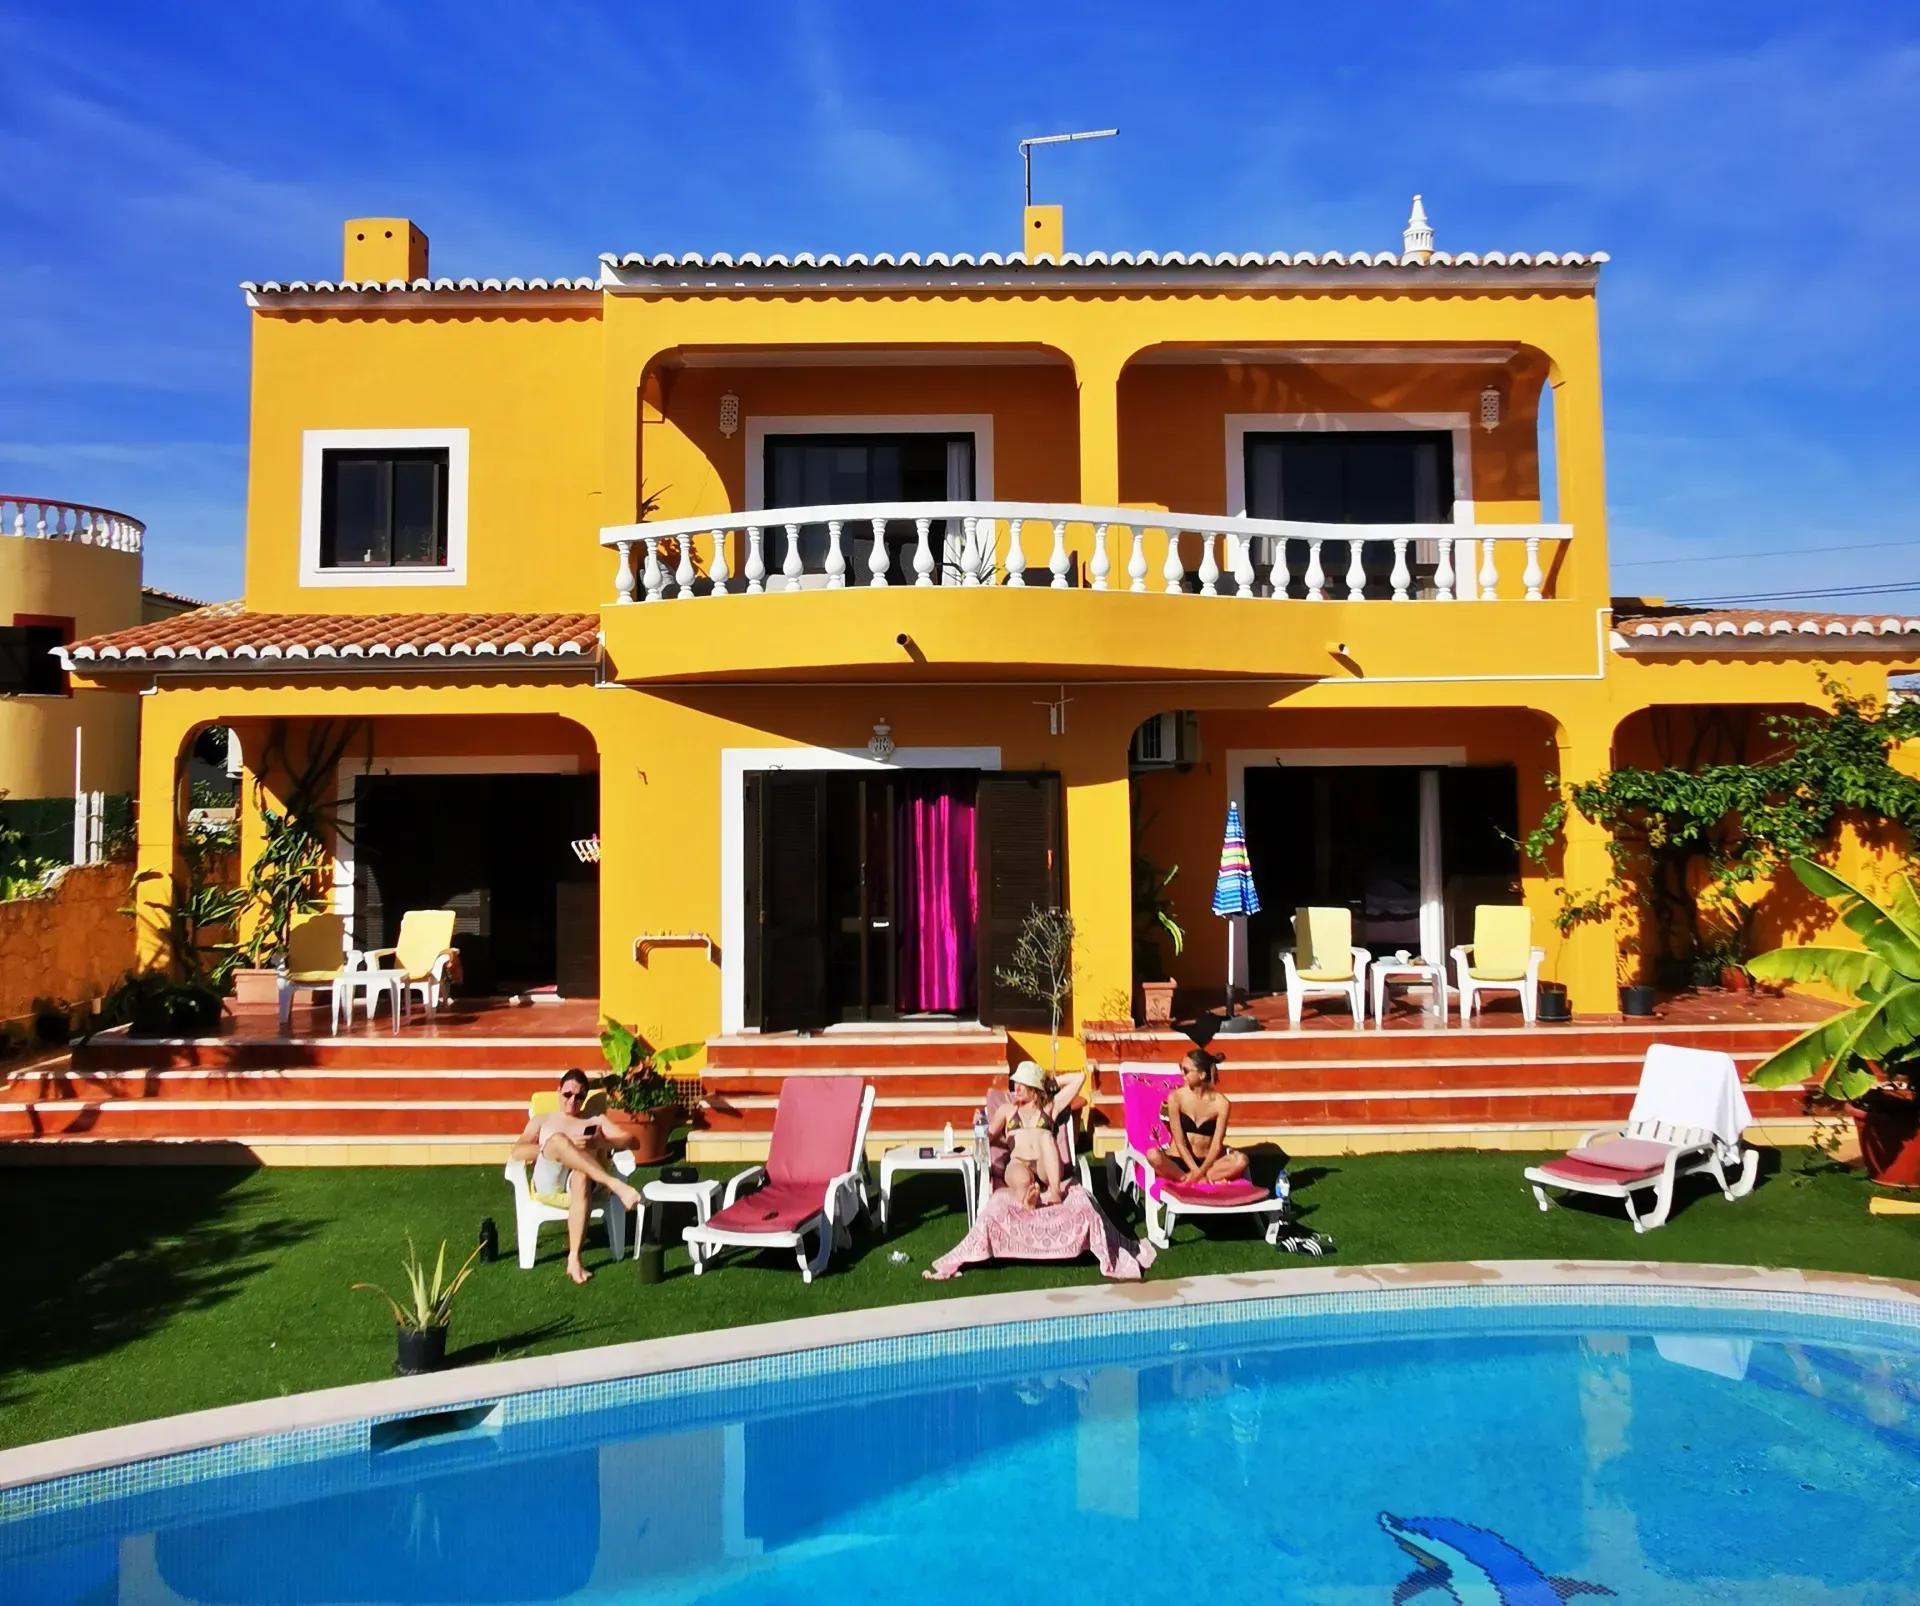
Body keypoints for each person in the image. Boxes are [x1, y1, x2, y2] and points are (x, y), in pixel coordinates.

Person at [509, 1068, 645, 1284]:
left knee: (581, 1176)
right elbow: (517, 1152)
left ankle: (574, 1258)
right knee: (558, 1140)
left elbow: (631, 1141)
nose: (573, 1101)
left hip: (581, 1183)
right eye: (568, 1094)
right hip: (549, 1180)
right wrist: (556, 1149)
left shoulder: (594, 1121)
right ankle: (614, 1184)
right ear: (558, 1091)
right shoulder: (542, 1120)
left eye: (579, 1096)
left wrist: (601, 1143)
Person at [1146, 1048, 1250, 1184]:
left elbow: (1216, 1146)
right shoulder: (1176, 1098)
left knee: (1241, 1160)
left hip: (1207, 1163)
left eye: (1186, 1070)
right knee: (1152, 1155)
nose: (1182, 1073)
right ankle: (1190, 1178)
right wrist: (1196, 1172)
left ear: (1201, 1075)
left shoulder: (1221, 1104)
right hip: (1177, 1161)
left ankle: (1191, 1179)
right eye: (1181, 1068)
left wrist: (1200, 1172)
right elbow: (1179, 1142)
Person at [995, 1061, 1065, 1208]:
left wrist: (1047, 1082)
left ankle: (1055, 1192)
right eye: (1016, 1082)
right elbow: (986, 1136)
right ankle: (1029, 1200)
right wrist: (980, 1126)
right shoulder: (1007, 1110)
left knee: (1046, 1137)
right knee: (1022, 1180)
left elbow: (1079, 1079)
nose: (1017, 1087)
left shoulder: (1049, 1108)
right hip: (1018, 1162)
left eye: (1023, 1083)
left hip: (1045, 1165)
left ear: (1034, 1088)